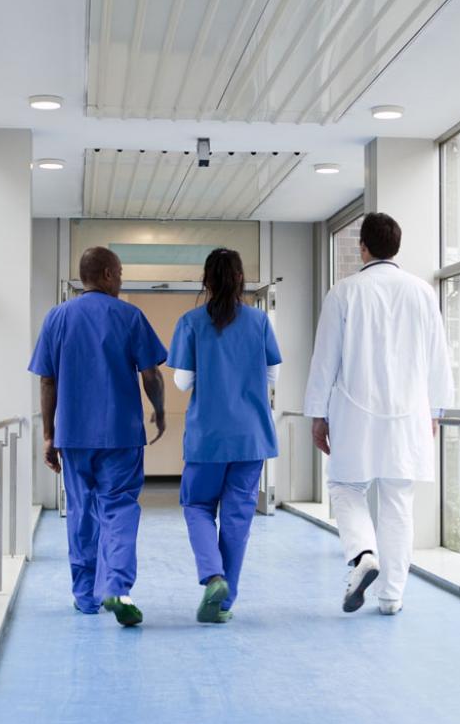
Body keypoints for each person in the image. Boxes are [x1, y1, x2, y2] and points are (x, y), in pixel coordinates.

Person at [303, 212, 453, 616]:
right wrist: (435, 411)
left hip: (355, 412)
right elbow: (438, 357)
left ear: (362, 247)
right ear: (396, 247)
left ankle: (363, 553)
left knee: (346, 488)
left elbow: (324, 360)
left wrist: (318, 414)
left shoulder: (344, 292)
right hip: (409, 416)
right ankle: (392, 597)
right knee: (398, 503)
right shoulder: (423, 292)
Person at [29, 247, 168, 627]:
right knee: (119, 507)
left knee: (81, 510)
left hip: (73, 435)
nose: (121, 281)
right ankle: (118, 588)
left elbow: (46, 379)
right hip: (121, 434)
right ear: (106, 274)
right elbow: (151, 374)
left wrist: (48, 434)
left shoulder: (56, 318)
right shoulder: (129, 316)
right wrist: (159, 410)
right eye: (120, 273)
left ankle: (86, 597)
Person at [167, 248, 281, 623]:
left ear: (207, 281)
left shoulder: (190, 322)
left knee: (198, 506)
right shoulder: (260, 321)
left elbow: (182, 382)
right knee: (237, 518)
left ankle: (212, 575)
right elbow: (273, 376)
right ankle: (224, 602)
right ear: (240, 279)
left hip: (208, 438)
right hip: (251, 438)